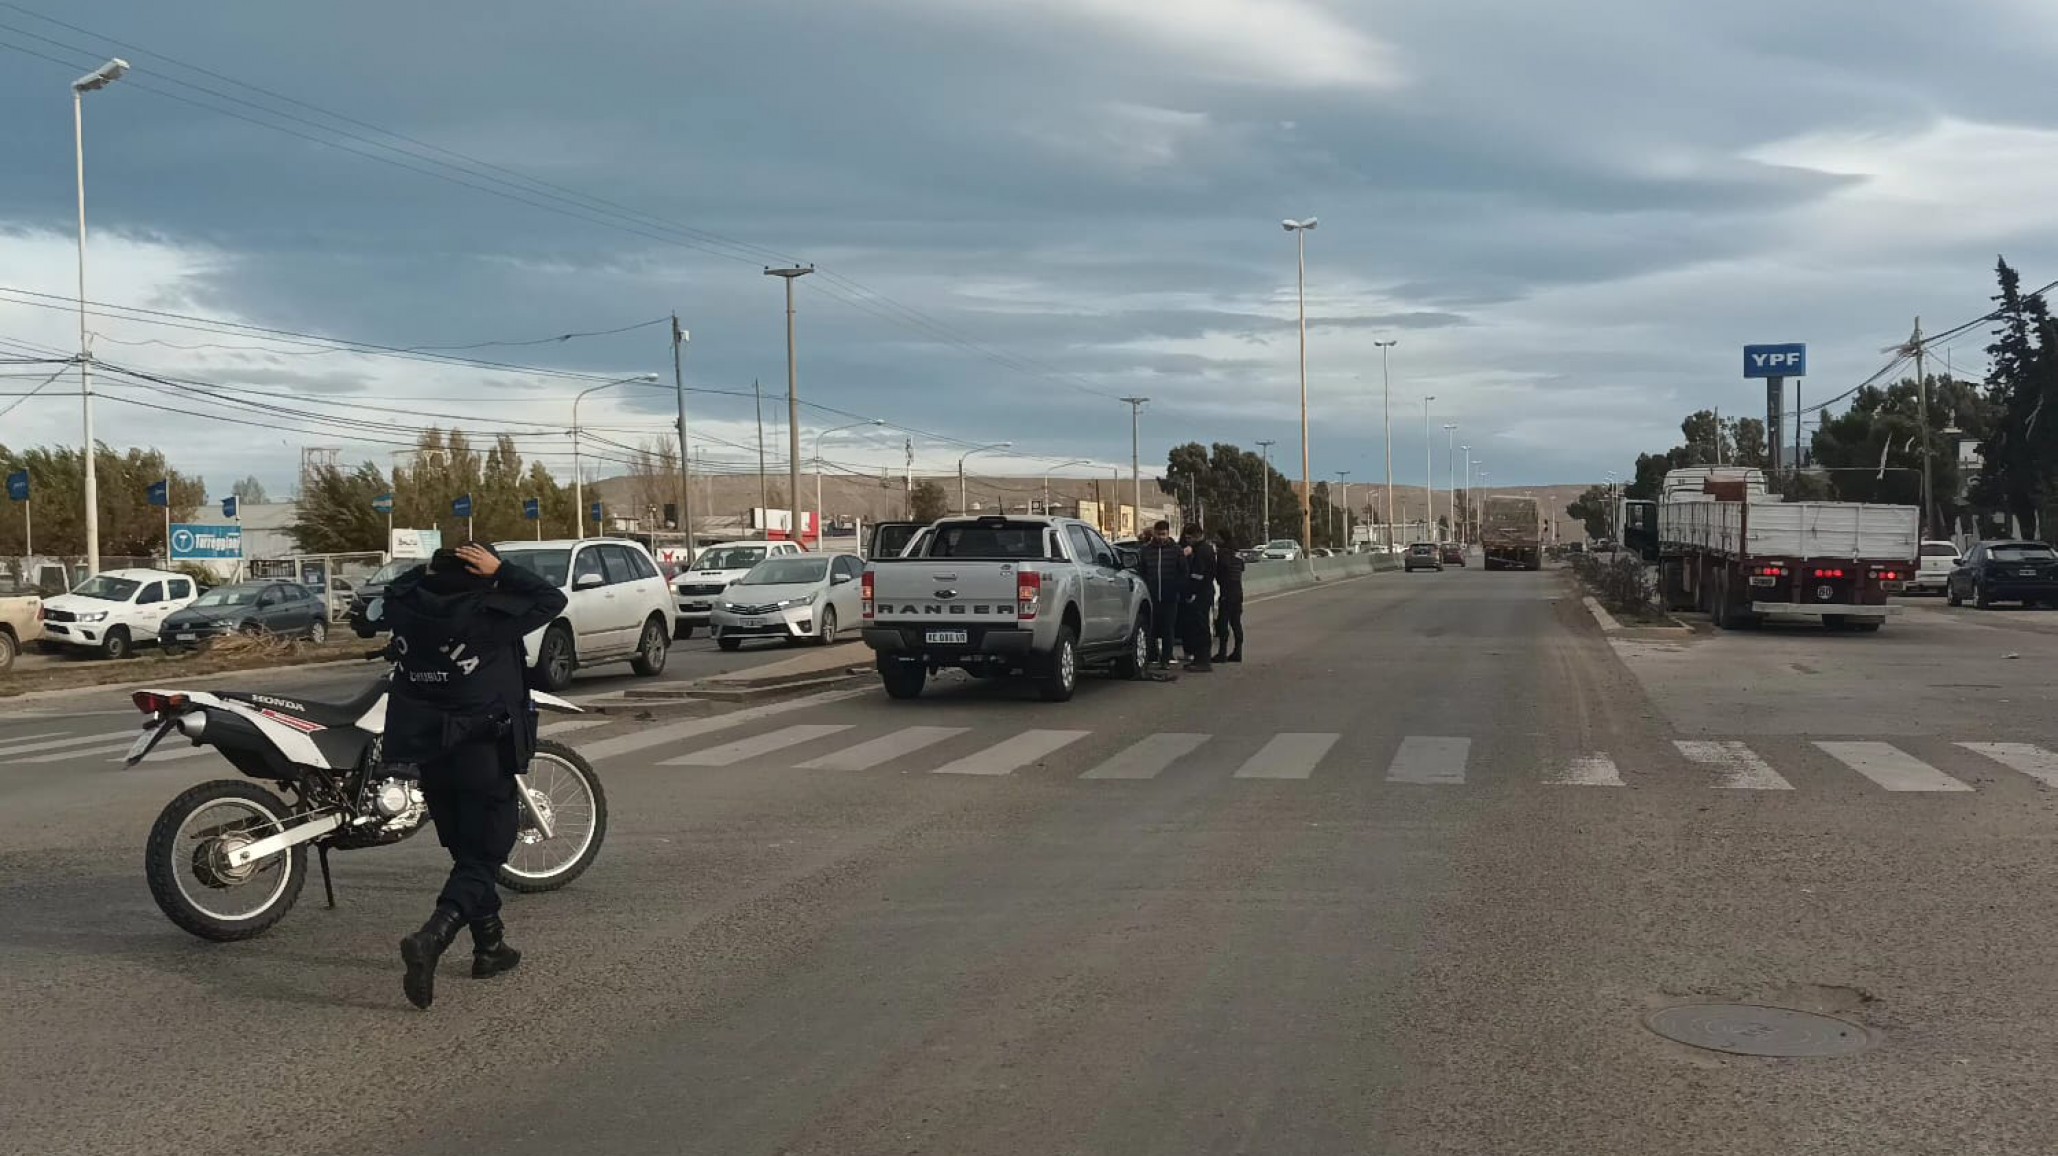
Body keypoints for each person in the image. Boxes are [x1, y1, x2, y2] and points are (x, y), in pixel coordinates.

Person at [380, 543, 568, 1010]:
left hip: (426, 746)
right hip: (481, 745)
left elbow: (387, 593)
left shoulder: (407, 606)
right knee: (487, 851)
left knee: (465, 848)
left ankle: (490, 945)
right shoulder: (490, 610)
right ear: (480, 572)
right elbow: (552, 599)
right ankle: (432, 936)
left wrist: (426, 571)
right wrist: (503, 570)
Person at [1136, 520, 1184, 673]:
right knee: (1151, 629)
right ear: (1154, 533)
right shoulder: (1146, 550)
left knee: (1168, 629)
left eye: (1163, 534)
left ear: (1168, 534)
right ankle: (1151, 658)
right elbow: (1141, 571)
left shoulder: (1176, 550)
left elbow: (1183, 571)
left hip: (1170, 597)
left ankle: (1165, 659)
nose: (1161, 537)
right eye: (1158, 534)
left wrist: (1177, 588)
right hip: (1151, 597)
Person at [1178, 523, 1217, 672]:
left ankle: (1203, 661)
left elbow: (1198, 574)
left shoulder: (1202, 551)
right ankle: (1199, 659)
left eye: (1189, 538)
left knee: (1200, 627)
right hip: (1204, 591)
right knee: (1198, 626)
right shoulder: (1204, 548)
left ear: (1196, 536)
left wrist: (1191, 592)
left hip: (1201, 593)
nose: (1187, 541)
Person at [1212, 529, 1246, 663]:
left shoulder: (1223, 553)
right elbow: (1242, 568)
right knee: (1236, 622)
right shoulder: (1237, 554)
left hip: (1227, 590)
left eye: (1217, 537)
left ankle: (1222, 653)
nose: (1215, 540)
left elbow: (1221, 570)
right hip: (1238, 590)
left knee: (1223, 622)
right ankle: (1238, 652)